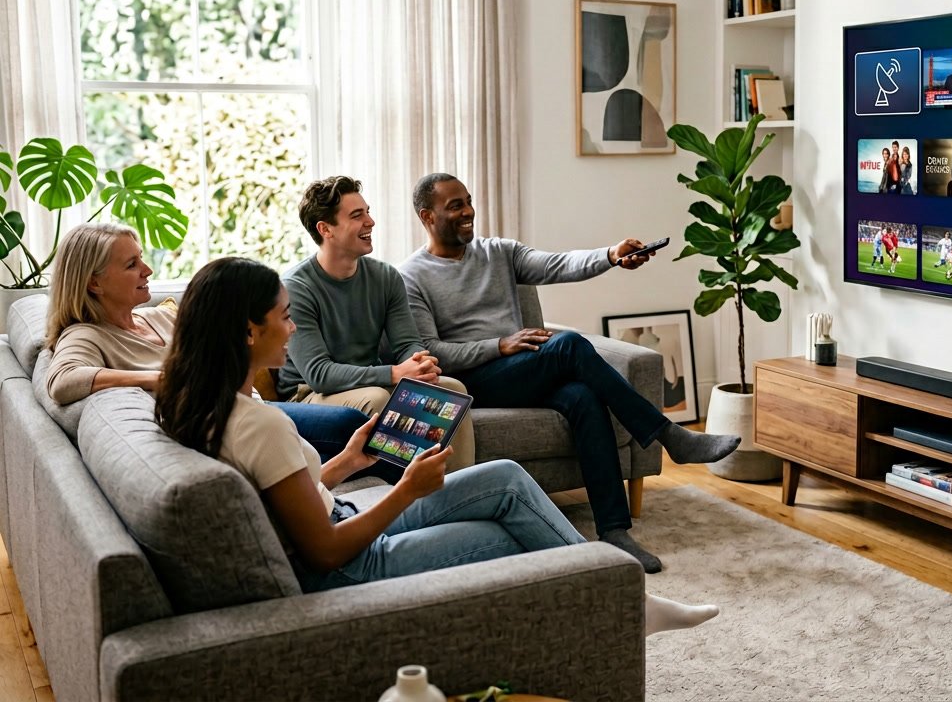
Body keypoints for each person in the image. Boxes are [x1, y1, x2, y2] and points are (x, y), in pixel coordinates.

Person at [154, 257, 717, 636]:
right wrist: (405, 490)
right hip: (350, 566)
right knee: (508, 532)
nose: (293, 325)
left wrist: (346, 463)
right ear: (249, 332)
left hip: (343, 520)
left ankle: (620, 599)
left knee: (506, 478)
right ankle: (620, 609)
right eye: (284, 316)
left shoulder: (209, 406)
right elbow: (324, 553)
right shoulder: (258, 423)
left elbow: (282, 507)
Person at [398, 174, 742, 574]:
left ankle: (614, 531)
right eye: (455, 205)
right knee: (570, 344)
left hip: (522, 368)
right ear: (427, 216)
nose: (468, 211)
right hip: (477, 379)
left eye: (469, 201)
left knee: (583, 397)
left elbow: (558, 264)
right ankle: (668, 435)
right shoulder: (411, 276)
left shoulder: (498, 253)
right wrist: (500, 345)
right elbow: (434, 352)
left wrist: (612, 255)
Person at [43, 223, 390, 479]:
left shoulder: (156, 318)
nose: (147, 270)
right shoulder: (86, 335)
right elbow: (62, 382)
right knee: (354, 424)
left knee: (362, 432)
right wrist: (165, 379)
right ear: (94, 282)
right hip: (232, 421)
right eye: (131, 264)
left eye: (142, 260)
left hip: (251, 405)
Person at [276, 176, 476, 471]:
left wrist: (419, 362)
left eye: (367, 212)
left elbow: (407, 341)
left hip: (368, 381)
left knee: (452, 389)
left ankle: (456, 493)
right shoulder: (297, 287)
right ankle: (404, 496)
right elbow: (319, 374)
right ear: (325, 229)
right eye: (357, 215)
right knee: (377, 398)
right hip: (308, 394)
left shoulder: (385, 277)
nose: (370, 222)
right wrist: (395, 372)